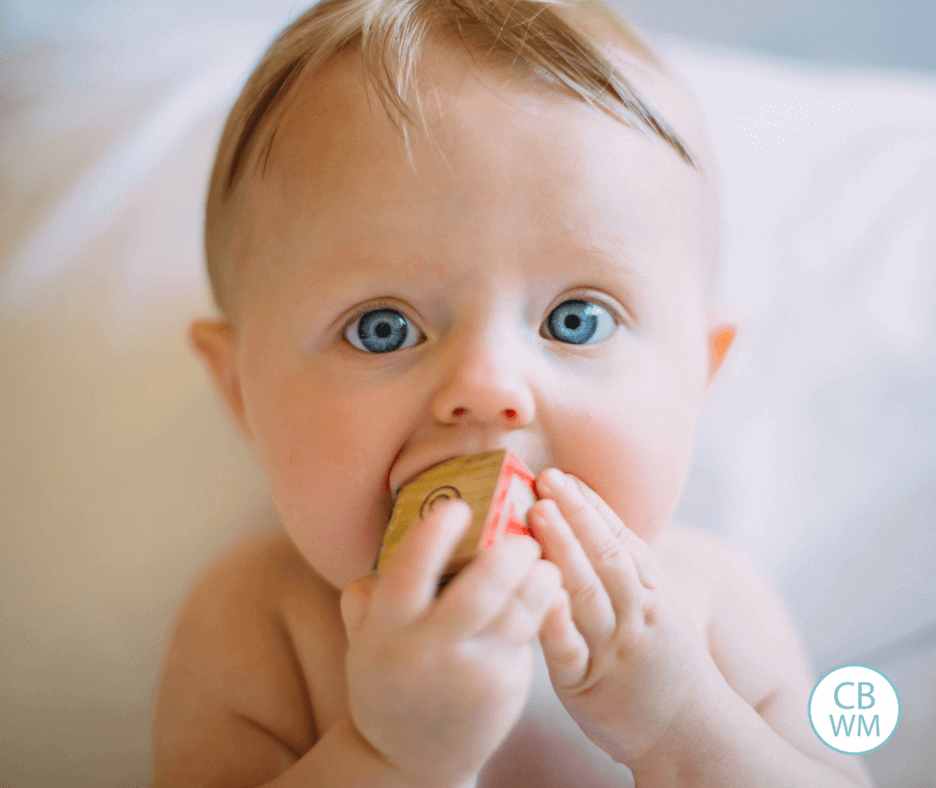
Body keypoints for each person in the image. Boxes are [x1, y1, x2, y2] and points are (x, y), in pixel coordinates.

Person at [151, 0, 874, 785]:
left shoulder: (710, 607)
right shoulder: (260, 622)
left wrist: (683, 724)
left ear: (697, 378)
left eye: (576, 319)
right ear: (239, 392)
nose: (488, 388)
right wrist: (388, 755)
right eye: (382, 328)